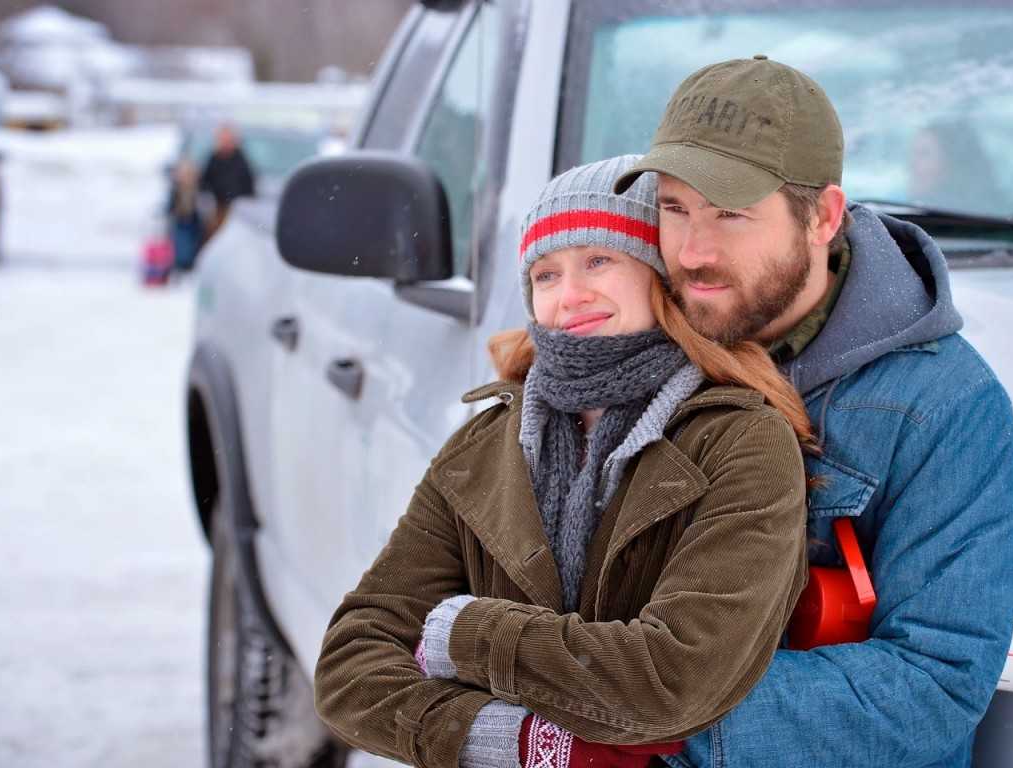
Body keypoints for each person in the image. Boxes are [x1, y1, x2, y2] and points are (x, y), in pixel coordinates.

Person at [314, 155, 814, 768]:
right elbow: (350, 664)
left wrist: (464, 633)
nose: (570, 296)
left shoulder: (741, 442)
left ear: (661, 273)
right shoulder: (486, 444)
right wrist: (516, 741)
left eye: (599, 260)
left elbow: (673, 680)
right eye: (546, 275)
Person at [612, 56, 1013, 768]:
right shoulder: (626, 347)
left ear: (824, 217)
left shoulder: (944, 405)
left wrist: (649, 716)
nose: (693, 252)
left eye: (730, 214)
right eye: (674, 209)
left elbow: (935, 683)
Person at [199, 122, 255, 238]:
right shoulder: (214, 159)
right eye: (223, 139)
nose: (226, 142)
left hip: (237, 209)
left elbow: (249, 185)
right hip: (218, 207)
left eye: (228, 139)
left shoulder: (241, 160)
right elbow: (204, 183)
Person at [166, 158, 203, 272]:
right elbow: (171, 205)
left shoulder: (197, 188)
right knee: (180, 242)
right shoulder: (176, 189)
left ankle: (189, 263)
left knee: (192, 242)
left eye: (188, 174)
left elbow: (200, 205)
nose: (186, 177)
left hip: (193, 221)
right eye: (183, 174)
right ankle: (180, 263)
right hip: (180, 220)